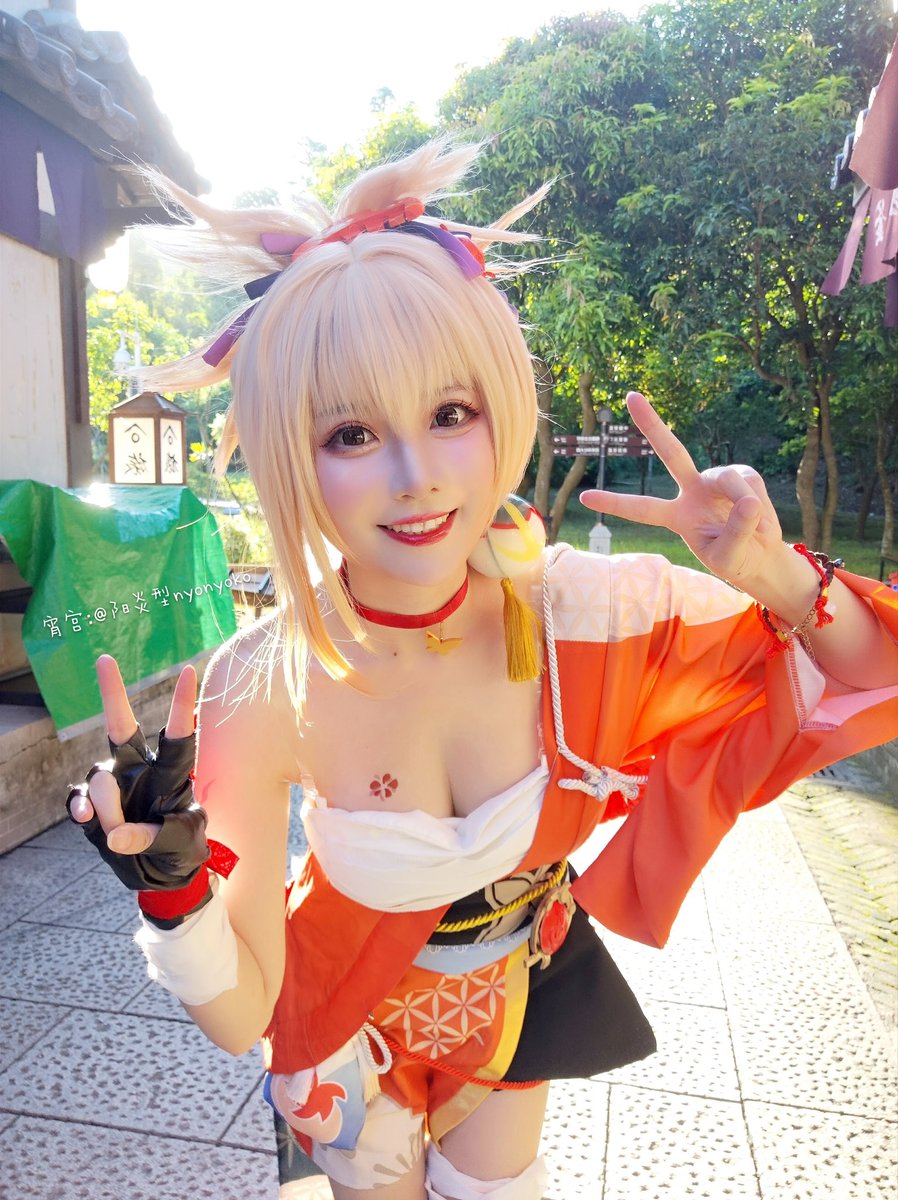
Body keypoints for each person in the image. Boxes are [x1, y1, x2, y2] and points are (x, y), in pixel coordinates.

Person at [67, 140, 898, 1200]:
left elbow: (861, 672)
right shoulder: (257, 684)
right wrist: (173, 894)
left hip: (513, 1001)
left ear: (499, 407)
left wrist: (771, 575)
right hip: (343, 1038)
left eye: (449, 414)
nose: (416, 478)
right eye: (351, 432)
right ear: (287, 451)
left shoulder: (581, 616)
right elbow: (244, 1014)